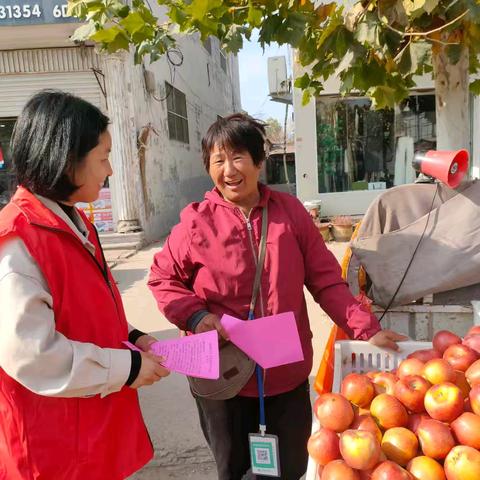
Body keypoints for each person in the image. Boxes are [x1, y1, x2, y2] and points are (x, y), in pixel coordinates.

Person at [148, 113, 406, 480]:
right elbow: (162, 278)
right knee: (233, 470)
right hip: (221, 378)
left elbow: (327, 281)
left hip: (284, 375)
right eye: (217, 161)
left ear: (258, 161)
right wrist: (195, 317)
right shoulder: (196, 222)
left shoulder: (291, 215)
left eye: (237, 157)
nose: (229, 170)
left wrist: (366, 329)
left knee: (289, 468)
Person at [0, 90, 169, 480]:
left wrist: (133, 337)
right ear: (66, 159)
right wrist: (126, 368)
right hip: (50, 450)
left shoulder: (76, 225)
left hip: (90, 435)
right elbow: (32, 355)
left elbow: (84, 307)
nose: (109, 171)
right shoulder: (17, 240)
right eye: (103, 158)